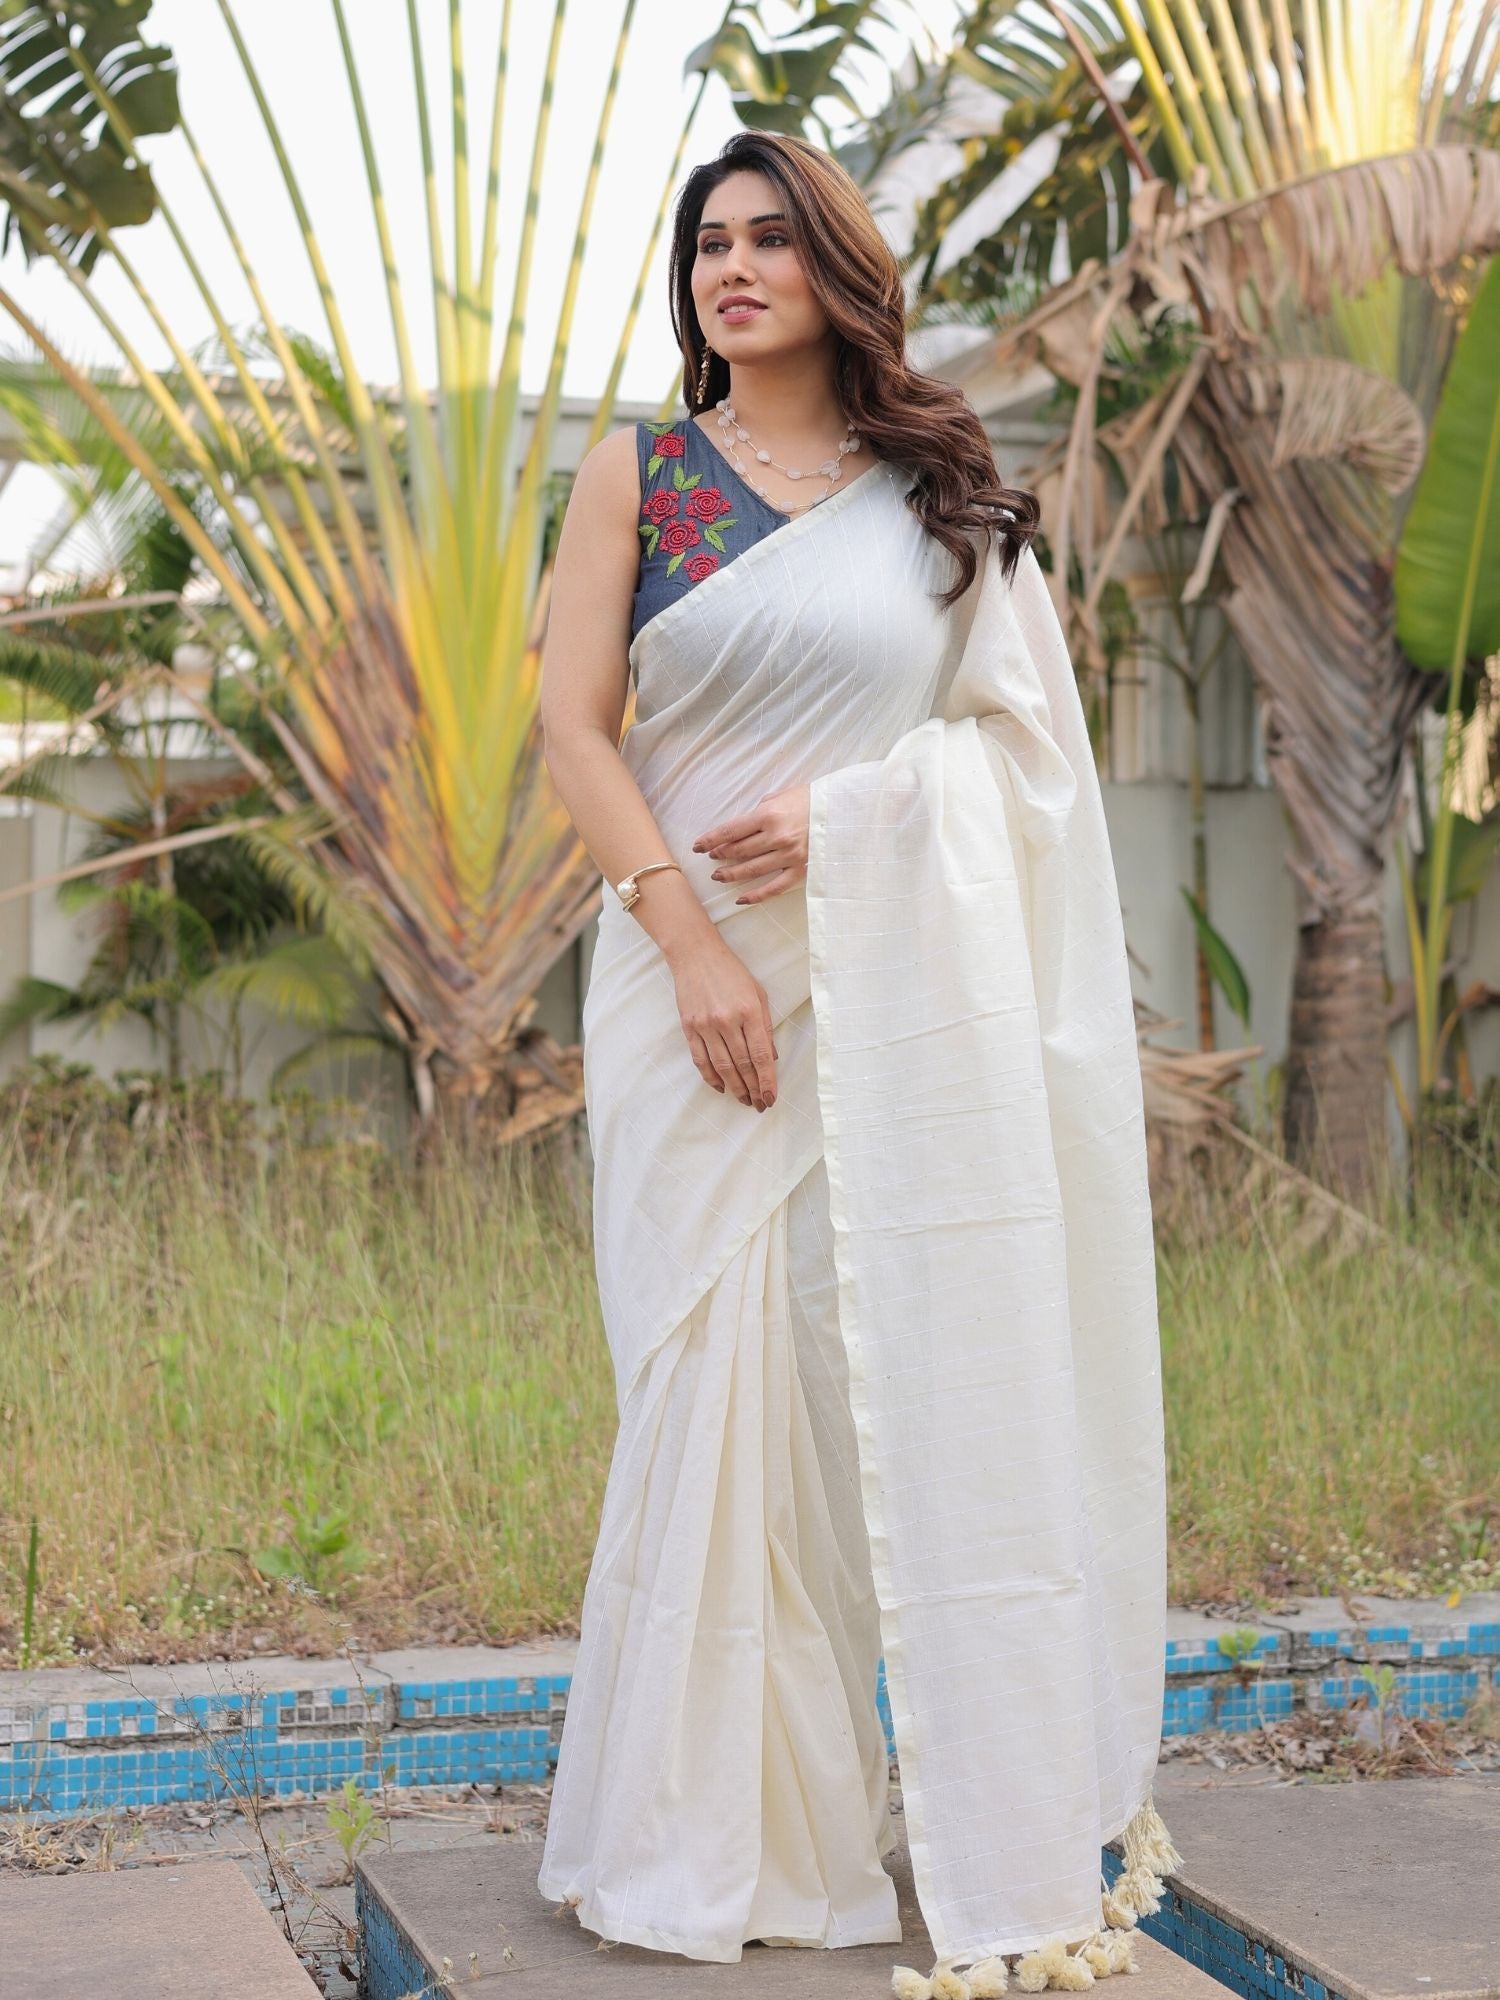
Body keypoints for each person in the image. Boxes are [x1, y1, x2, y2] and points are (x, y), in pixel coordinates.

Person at [535, 130, 1178, 1995]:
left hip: (882, 1000)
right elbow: (576, 731)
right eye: (708, 246)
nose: (733, 269)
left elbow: (1027, 762)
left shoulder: (935, 491)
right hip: (686, 997)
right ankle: (691, 1841)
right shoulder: (640, 476)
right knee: (700, 1388)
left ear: (836, 267)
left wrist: (857, 815)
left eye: (770, 240)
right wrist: (689, 943)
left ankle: (817, 1826)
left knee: (841, 1399)